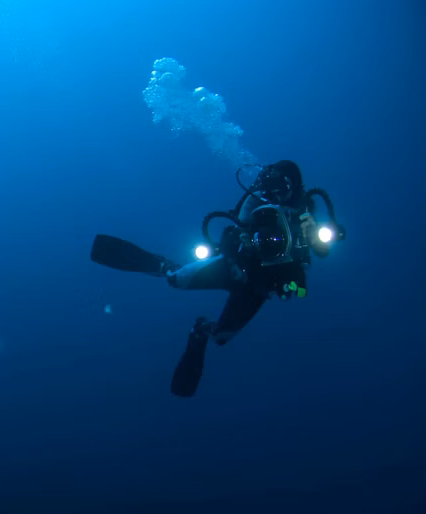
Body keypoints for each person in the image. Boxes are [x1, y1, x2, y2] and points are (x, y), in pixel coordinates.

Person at [89, 160, 346, 397]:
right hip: (236, 268)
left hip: (259, 287)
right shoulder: (255, 203)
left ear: (294, 185)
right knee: (175, 279)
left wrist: (312, 239)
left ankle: (201, 332)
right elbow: (228, 234)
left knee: (223, 337)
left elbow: (319, 255)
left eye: (282, 186)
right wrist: (240, 243)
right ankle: (163, 266)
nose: (276, 192)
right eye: (272, 185)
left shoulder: (305, 213)